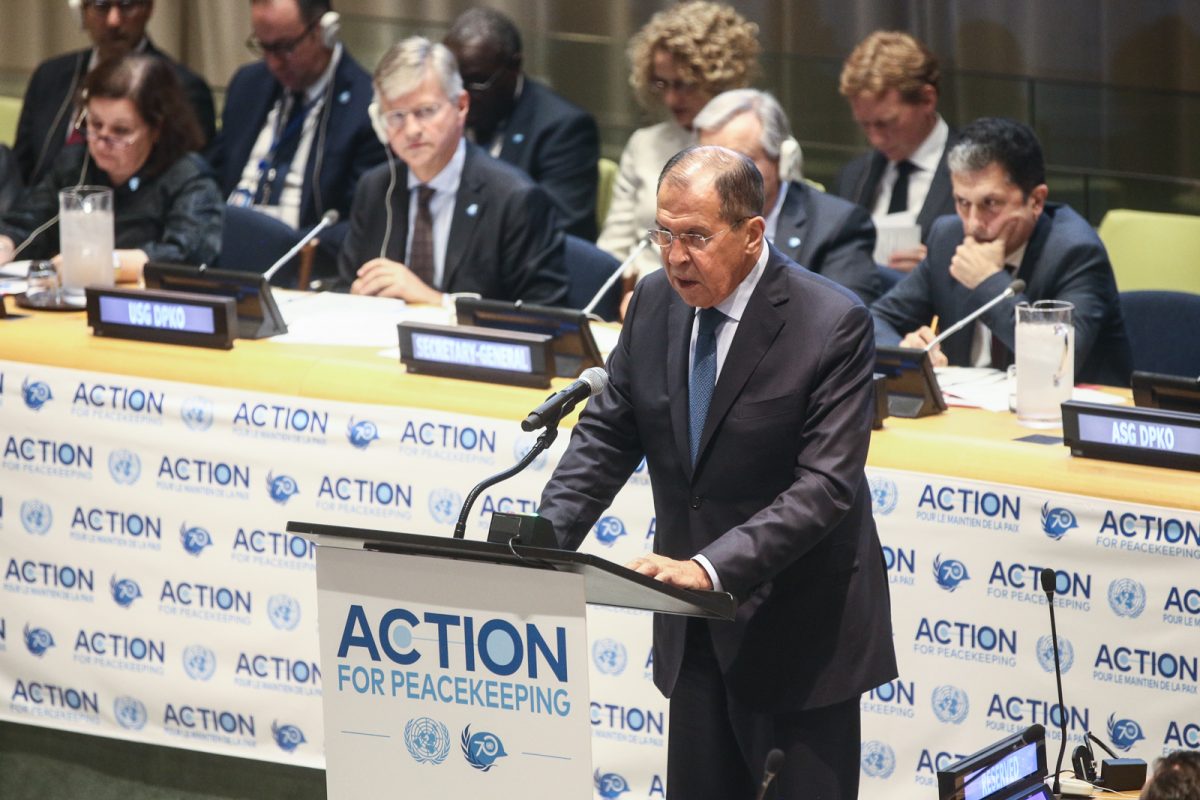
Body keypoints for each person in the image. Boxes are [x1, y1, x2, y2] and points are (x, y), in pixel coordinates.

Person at [538, 146, 897, 800]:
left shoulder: (831, 323)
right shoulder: (653, 302)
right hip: (695, 626)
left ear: (752, 234)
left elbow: (825, 487)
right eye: (663, 234)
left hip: (797, 634)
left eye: (696, 237)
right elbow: (607, 435)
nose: (675, 257)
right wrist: (543, 542)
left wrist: (709, 567)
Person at [871, 117, 1132, 385]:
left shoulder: (1075, 252)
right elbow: (875, 320)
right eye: (962, 202)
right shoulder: (948, 238)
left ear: (1036, 201)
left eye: (991, 203)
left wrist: (988, 282)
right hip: (970, 406)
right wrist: (905, 349)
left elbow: (1060, 361)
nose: (973, 224)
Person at [337, 36, 568, 306]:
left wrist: (437, 302)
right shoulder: (376, 189)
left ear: (461, 106)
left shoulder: (514, 199)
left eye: (426, 111)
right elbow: (346, 284)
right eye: (397, 116)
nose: (411, 130)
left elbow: (544, 314)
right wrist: (355, 298)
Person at [0, 54, 222, 278]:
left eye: (121, 131)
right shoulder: (77, 165)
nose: (101, 142)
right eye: (95, 124)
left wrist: (103, 262)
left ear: (157, 129)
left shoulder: (189, 179)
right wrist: (7, 243)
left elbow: (187, 256)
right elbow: (32, 221)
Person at [206, 0, 386, 270]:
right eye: (264, 47)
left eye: (286, 47)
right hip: (222, 252)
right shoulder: (248, 85)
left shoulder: (366, 107)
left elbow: (362, 222)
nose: (273, 62)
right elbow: (213, 176)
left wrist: (287, 247)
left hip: (300, 265)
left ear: (325, 31)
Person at [596, 1, 759, 285]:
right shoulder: (644, 144)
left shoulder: (755, 146)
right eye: (662, 84)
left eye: (684, 84)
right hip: (647, 287)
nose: (671, 99)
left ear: (718, 80)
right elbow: (614, 247)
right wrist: (625, 293)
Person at [695, 89, 879, 304]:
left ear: (782, 160)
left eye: (741, 162)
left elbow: (848, 318)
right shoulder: (691, 223)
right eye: (710, 164)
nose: (721, 179)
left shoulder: (837, 227)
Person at [12, 0, 216, 187]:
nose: (114, 21)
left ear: (149, 8)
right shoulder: (50, 76)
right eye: (101, 6)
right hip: (43, 207)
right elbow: (21, 171)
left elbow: (188, 182)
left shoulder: (183, 87)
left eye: (127, 5)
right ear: (82, 12)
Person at [444, 7, 600, 241]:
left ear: (514, 66)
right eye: (454, 83)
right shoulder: (441, 117)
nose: (462, 96)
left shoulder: (564, 128)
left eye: (477, 82)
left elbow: (561, 230)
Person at [835, 30, 955, 272]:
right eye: (865, 125)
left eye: (886, 123)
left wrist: (938, 272)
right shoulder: (853, 176)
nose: (875, 139)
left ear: (927, 100)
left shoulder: (975, 173)